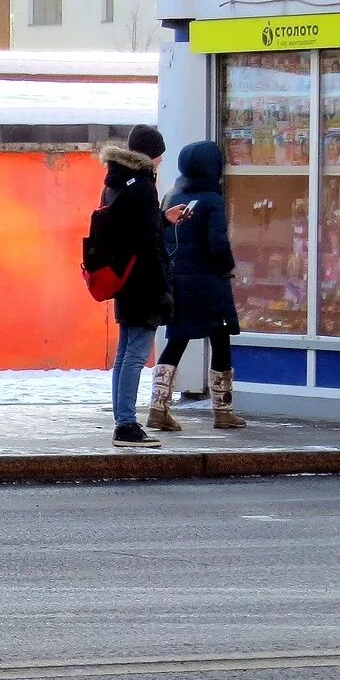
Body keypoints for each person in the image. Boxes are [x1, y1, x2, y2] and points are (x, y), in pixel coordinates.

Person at [150, 140, 246, 432]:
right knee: (220, 339)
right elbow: (218, 244)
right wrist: (228, 266)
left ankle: (158, 406)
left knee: (177, 339)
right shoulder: (212, 199)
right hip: (208, 283)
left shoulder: (171, 195)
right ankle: (223, 410)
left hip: (177, 281)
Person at [99, 124, 182, 449]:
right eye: (159, 154)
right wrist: (163, 287)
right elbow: (148, 242)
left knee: (124, 353)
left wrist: (163, 218)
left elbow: (130, 230)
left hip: (124, 279)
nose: (161, 160)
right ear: (151, 154)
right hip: (144, 281)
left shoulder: (116, 183)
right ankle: (126, 425)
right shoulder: (144, 187)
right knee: (135, 355)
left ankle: (123, 419)